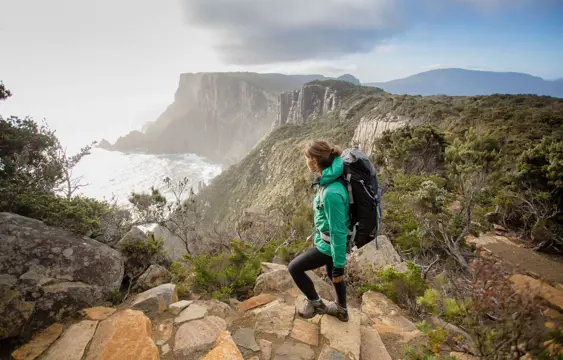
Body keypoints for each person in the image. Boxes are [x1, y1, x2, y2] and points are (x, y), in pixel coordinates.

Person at [288, 140, 350, 322]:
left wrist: (339, 263)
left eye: (307, 158)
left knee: (295, 268)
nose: (306, 162)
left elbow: (338, 231)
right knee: (333, 275)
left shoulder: (331, 192)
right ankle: (342, 310)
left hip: (331, 245)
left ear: (315, 161)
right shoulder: (331, 176)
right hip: (328, 241)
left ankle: (317, 304)